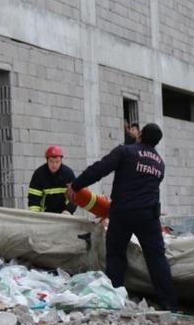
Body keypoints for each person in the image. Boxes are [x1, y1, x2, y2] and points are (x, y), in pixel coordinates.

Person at [67, 123, 178, 311]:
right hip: (149, 215)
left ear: (140, 135)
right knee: (156, 257)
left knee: (117, 254)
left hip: (123, 212)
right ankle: (169, 303)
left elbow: (99, 169)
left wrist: (76, 185)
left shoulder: (126, 151)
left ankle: (115, 298)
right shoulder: (159, 163)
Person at [27, 145, 77, 214]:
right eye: (51, 161)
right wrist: (35, 216)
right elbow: (34, 198)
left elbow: (75, 196)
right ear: (47, 160)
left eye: (57, 162)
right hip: (45, 216)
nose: (54, 165)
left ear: (61, 160)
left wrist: (68, 210)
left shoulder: (68, 174)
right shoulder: (38, 174)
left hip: (65, 215)